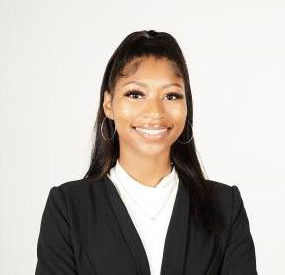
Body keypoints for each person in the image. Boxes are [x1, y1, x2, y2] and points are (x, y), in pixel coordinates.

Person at [35, 30, 258, 275]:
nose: (155, 111)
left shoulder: (225, 207)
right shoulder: (69, 207)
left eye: (171, 95)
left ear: (186, 107)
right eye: (135, 94)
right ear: (109, 104)